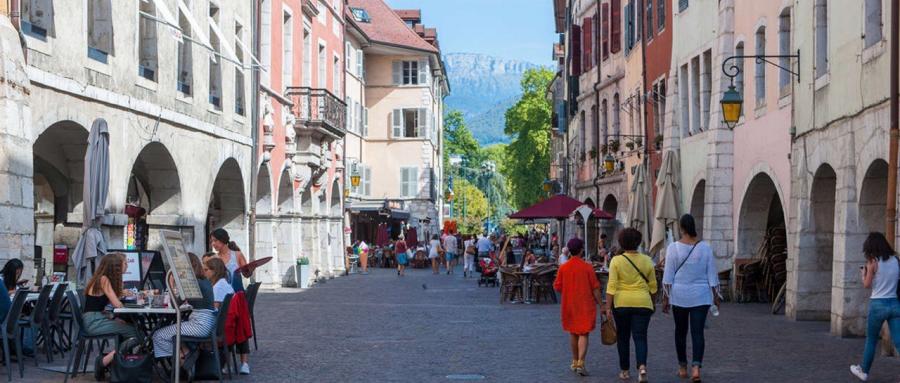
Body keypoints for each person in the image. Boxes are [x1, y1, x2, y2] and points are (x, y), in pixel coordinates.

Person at [662, 214, 719, 382]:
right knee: (697, 332)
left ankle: (682, 367)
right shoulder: (705, 248)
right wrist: (716, 296)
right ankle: (696, 368)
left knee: (680, 332)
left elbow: (668, 275)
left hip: (679, 295)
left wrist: (665, 298)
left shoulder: (673, 248)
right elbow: (712, 274)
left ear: (681, 228)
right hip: (701, 296)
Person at [604, 228, 657, 382]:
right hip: (643, 302)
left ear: (621, 242)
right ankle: (642, 367)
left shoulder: (616, 260)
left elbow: (611, 286)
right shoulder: (647, 260)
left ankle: (625, 370)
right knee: (640, 337)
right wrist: (652, 303)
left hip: (621, 304)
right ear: (638, 242)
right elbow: (653, 286)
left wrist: (608, 307)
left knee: (623, 337)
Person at [850, 232, 900, 381]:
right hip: (894, 303)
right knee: (898, 341)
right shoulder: (896, 260)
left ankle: (863, 371)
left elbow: (867, 285)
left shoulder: (873, 262)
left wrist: (863, 274)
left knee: (871, 339)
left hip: (878, 304)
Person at [153, 253, 216, 367]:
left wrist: (171, 283)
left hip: (200, 325)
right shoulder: (203, 280)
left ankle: (183, 361)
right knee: (175, 335)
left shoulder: (192, 283)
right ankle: (187, 354)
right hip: (208, 322)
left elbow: (175, 304)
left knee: (159, 335)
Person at [84, 253, 140, 379]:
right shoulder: (104, 280)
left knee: (129, 327)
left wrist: (113, 317)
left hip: (96, 318)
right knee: (136, 333)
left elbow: (104, 305)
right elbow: (117, 305)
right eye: (125, 263)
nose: (127, 265)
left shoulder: (101, 278)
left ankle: (117, 362)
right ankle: (104, 361)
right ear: (116, 267)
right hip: (94, 322)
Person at [553, 238, 602, 376]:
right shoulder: (587, 267)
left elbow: (557, 286)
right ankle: (581, 362)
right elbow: (596, 288)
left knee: (573, 332)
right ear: (581, 250)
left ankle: (574, 361)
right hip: (585, 303)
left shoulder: (564, 267)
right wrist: (602, 305)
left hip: (569, 304)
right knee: (584, 332)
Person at [209, 228, 253, 375]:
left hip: (238, 297)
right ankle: (225, 362)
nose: (213, 244)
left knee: (240, 326)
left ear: (223, 240)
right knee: (225, 327)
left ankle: (244, 363)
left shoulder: (237, 255)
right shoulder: (214, 260)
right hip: (222, 300)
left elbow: (247, 274)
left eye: (215, 240)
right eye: (212, 241)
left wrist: (248, 270)